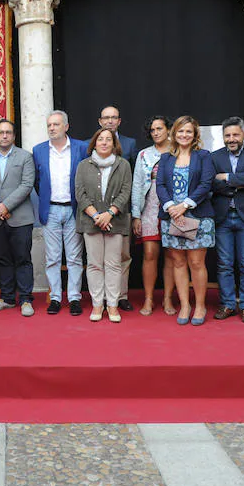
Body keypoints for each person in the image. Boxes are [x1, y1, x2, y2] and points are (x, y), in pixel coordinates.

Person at [156, 116, 215, 326]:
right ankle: (185, 305)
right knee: (178, 262)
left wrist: (185, 205)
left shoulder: (204, 156)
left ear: (195, 134)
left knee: (197, 262)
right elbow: (160, 185)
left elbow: (206, 183)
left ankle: (200, 305)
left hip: (197, 215)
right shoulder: (165, 158)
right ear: (174, 133)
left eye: (188, 131)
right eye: (180, 131)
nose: (184, 135)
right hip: (172, 216)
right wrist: (171, 207)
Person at [32, 110, 89, 315]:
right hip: (51, 209)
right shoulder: (38, 150)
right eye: (49, 125)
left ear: (66, 126)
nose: (52, 128)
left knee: (74, 257)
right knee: (53, 258)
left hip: (74, 209)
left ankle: (74, 298)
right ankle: (55, 297)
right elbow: (38, 182)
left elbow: (87, 177)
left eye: (56, 124)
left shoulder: (81, 148)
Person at [210, 117, 244, 324]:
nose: (231, 139)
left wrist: (226, 177)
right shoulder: (214, 157)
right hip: (223, 217)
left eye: (235, 134)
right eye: (227, 135)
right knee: (224, 264)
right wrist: (242, 179)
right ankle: (227, 304)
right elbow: (211, 185)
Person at [75, 128, 133, 322]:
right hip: (91, 222)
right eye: (101, 139)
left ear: (114, 143)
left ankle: (113, 305)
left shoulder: (123, 165)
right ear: (94, 142)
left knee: (114, 265)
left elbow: (126, 192)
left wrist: (109, 214)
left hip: (116, 221)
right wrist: (96, 216)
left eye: (109, 139)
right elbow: (79, 194)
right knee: (94, 265)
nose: (105, 142)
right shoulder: (84, 165)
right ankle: (97, 304)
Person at [0, 119, 36, 316]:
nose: (4, 136)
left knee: (23, 259)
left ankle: (25, 299)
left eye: (8, 132)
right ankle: (6, 298)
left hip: (20, 218)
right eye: (0, 132)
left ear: (14, 136)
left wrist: (6, 205)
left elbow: (27, 185)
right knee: (2, 259)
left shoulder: (25, 157)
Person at [131, 116, 177, 316]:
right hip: (148, 207)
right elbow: (136, 186)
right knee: (150, 253)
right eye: (152, 130)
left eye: (159, 128)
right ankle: (148, 298)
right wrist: (136, 215)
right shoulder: (143, 155)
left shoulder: (178, 151)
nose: (156, 133)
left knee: (172, 255)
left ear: (168, 129)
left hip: (173, 209)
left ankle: (167, 298)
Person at [99, 105, 137, 311]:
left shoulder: (130, 144)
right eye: (106, 118)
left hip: (122, 210)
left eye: (114, 118)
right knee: (100, 257)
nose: (110, 121)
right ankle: (103, 297)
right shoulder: (90, 145)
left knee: (122, 256)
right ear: (100, 121)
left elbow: (133, 180)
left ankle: (120, 295)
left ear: (119, 121)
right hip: (96, 213)